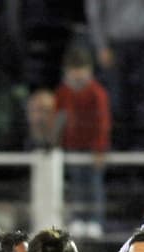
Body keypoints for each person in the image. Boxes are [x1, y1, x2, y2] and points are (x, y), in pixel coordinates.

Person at [84, 0, 144, 150]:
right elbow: (94, 10)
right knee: (116, 101)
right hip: (115, 43)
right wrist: (101, 45)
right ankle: (120, 148)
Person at [55, 47, 110, 237]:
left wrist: (100, 148)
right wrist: (57, 145)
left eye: (81, 70)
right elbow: (59, 120)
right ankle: (78, 218)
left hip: (93, 148)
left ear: (89, 70)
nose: (78, 75)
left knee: (94, 184)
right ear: (67, 71)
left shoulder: (97, 93)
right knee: (77, 184)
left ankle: (95, 220)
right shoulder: (63, 93)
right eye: (74, 70)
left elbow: (103, 122)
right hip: (72, 146)